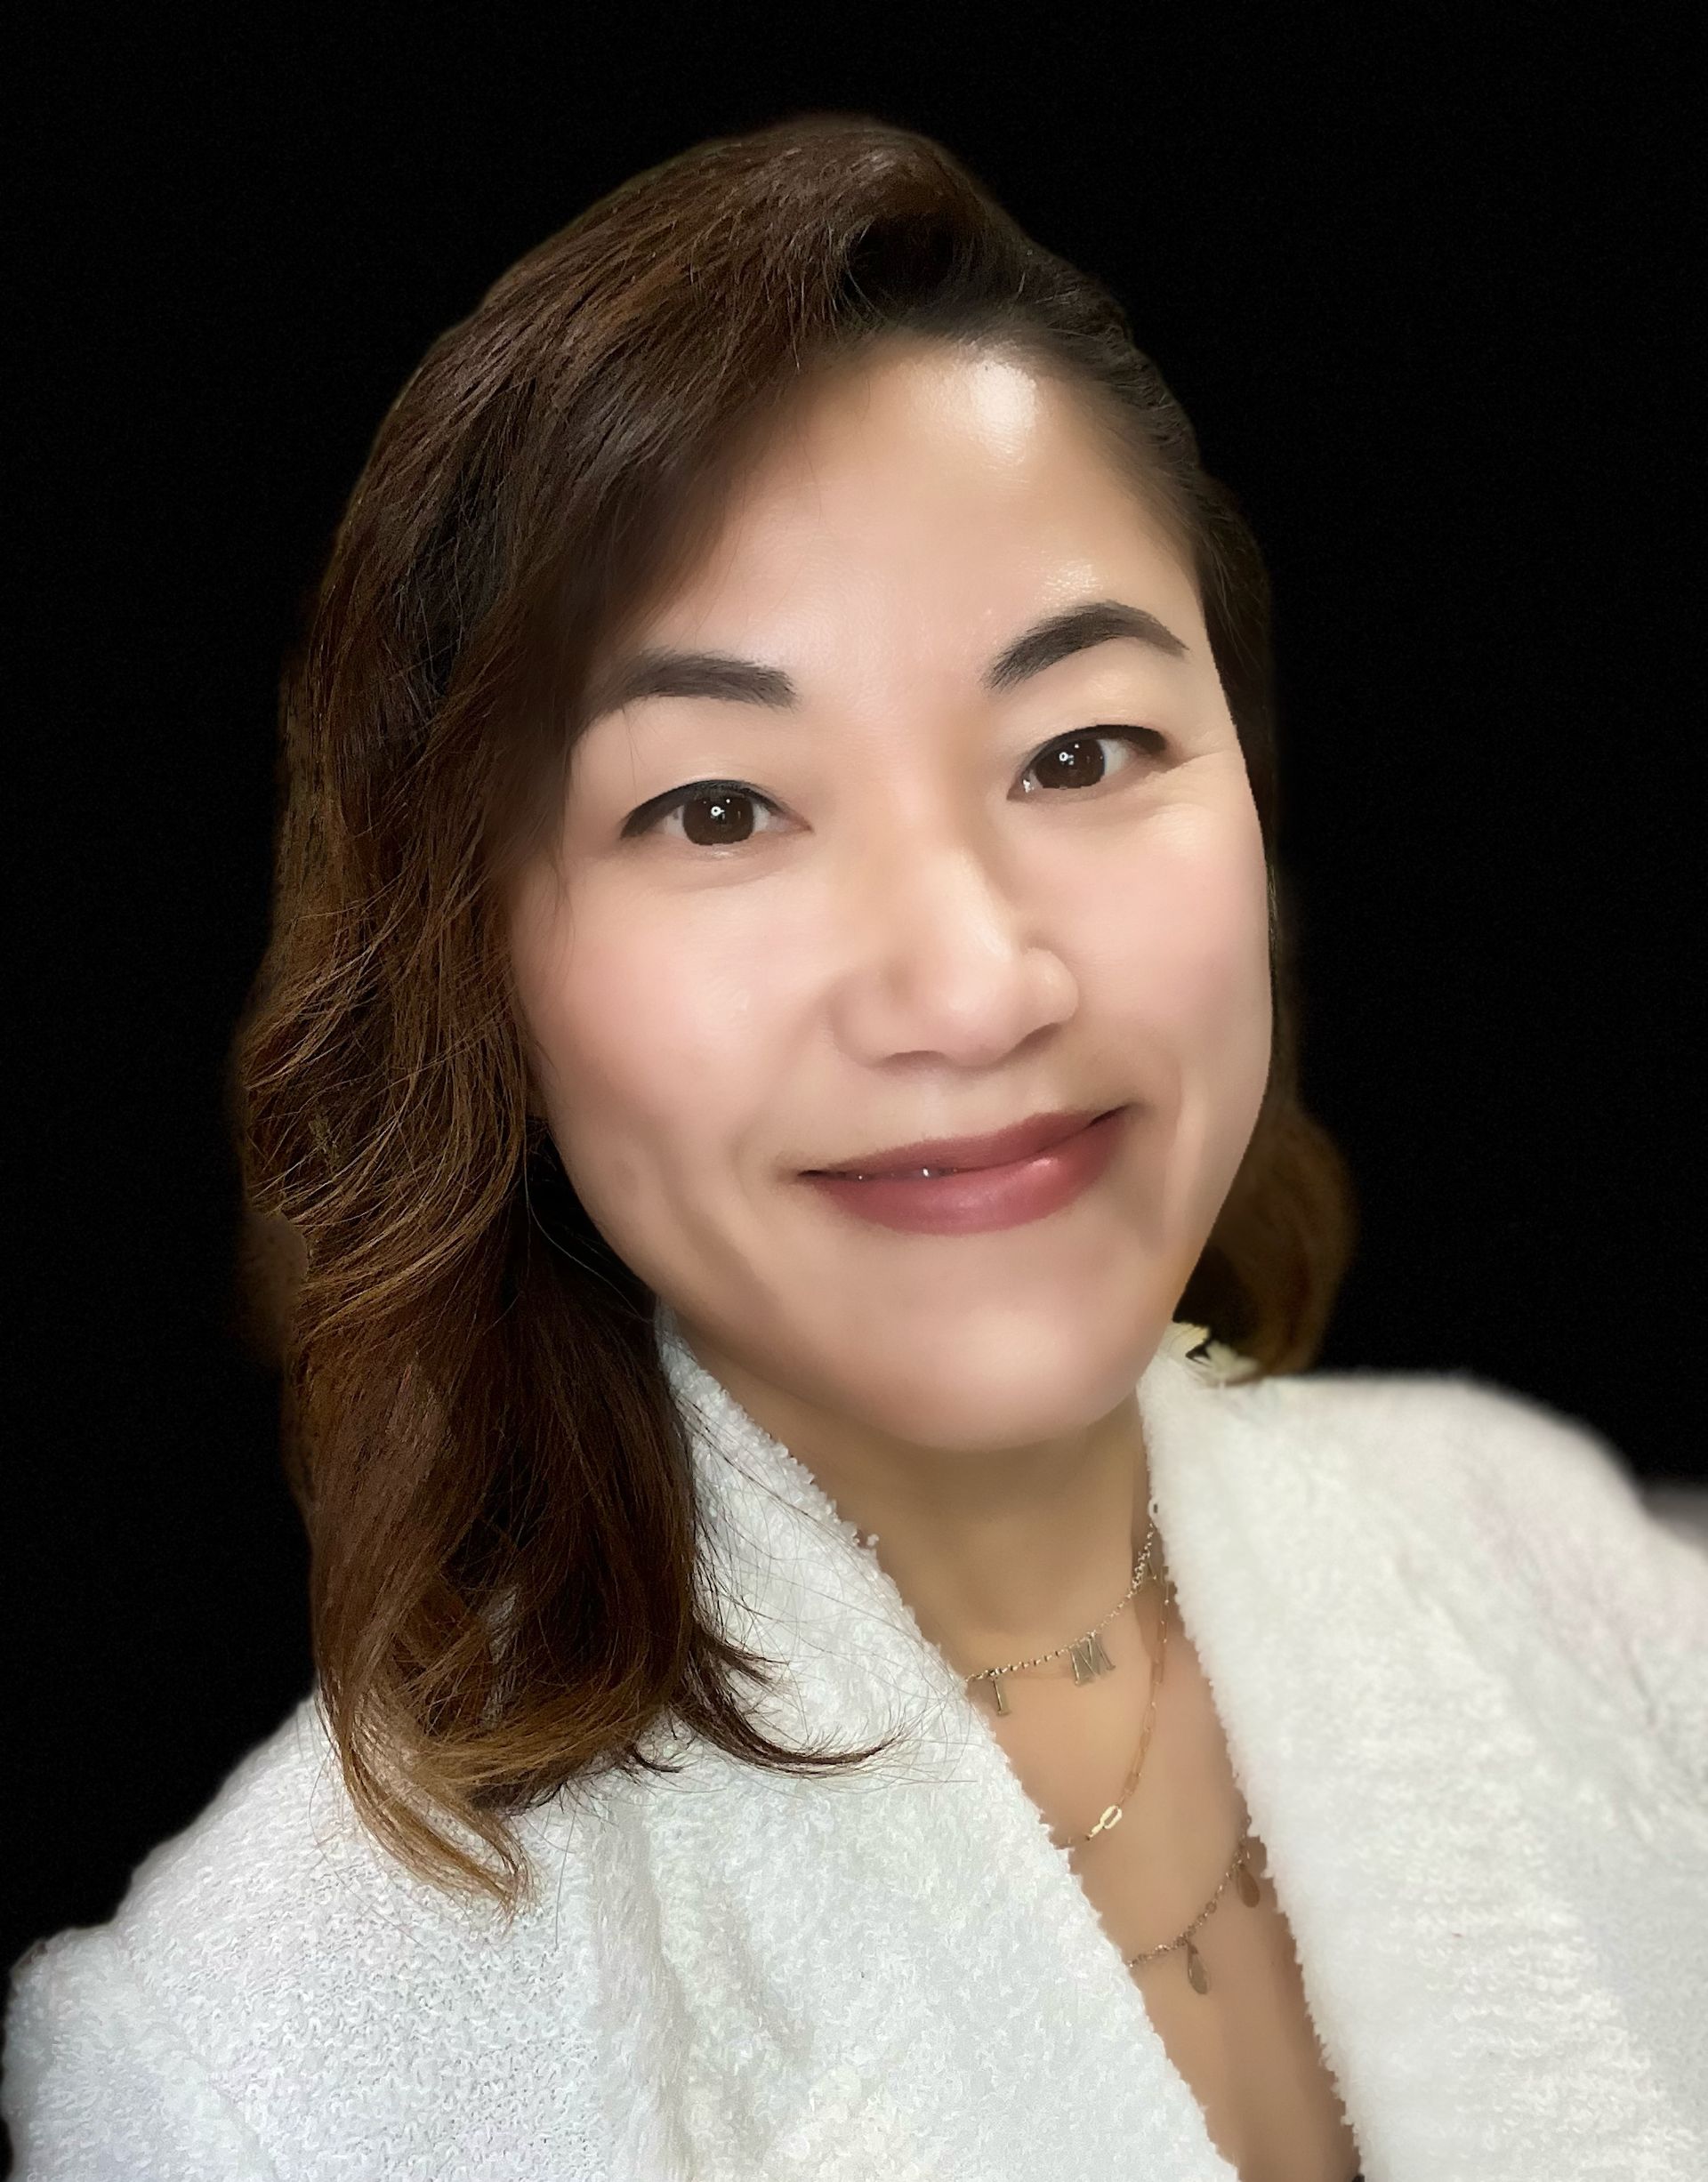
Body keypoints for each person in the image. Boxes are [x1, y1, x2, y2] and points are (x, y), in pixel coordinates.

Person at [6, 112, 1704, 2182]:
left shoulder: (1582, 1587)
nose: (973, 986)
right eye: (719, 808)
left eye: (1081, 750)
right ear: (478, 971)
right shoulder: (262, 2072)